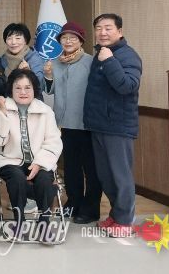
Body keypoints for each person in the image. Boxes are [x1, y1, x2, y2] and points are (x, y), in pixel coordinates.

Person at [83, 13, 142, 237]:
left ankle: (125, 221)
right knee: (106, 176)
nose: (103, 32)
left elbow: (127, 86)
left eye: (108, 28)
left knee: (120, 176)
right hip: (98, 125)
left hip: (118, 127)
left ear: (120, 31)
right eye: (99, 28)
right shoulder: (100, 54)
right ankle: (116, 216)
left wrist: (109, 61)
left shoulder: (127, 55)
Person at [0, 69, 63, 243]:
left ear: (34, 89)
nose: (23, 92)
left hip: (39, 160)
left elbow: (53, 142)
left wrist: (40, 163)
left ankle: (44, 224)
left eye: (27, 88)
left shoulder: (45, 111)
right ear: (11, 90)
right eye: (18, 88)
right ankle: (19, 223)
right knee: (17, 178)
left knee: (44, 179)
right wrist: (3, 114)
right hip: (10, 160)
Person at [43, 21, 101, 224]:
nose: (68, 41)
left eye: (72, 38)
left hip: (87, 124)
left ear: (81, 41)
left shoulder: (90, 61)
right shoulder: (55, 62)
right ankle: (73, 202)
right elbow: (49, 90)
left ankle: (91, 208)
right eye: (64, 38)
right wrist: (48, 76)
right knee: (70, 167)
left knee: (91, 169)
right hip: (65, 124)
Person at [0, 23, 45, 97]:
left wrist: (29, 72)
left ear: (25, 40)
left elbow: (40, 88)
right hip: (9, 100)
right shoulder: (3, 59)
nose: (13, 42)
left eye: (18, 38)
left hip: (31, 101)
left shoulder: (34, 58)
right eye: (9, 38)